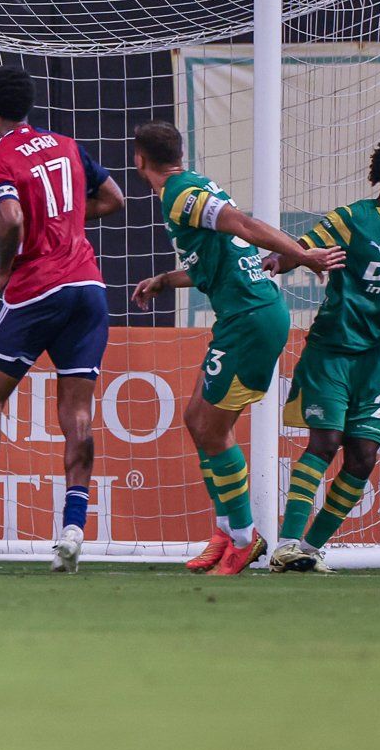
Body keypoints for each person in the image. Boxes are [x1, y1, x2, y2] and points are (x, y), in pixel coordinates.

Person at [0, 67, 126, 571]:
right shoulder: (66, 143)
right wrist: (68, 223)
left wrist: (4, 267)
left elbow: (12, 219)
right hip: (90, 289)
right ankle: (73, 529)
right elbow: (114, 199)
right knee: (77, 412)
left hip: (39, 289)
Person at [128, 120, 344, 576]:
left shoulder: (180, 193)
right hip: (241, 317)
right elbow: (221, 258)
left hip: (252, 318)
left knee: (211, 428)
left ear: (139, 160)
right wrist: (167, 279)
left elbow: (245, 224)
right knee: (196, 419)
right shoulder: (192, 190)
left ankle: (245, 537)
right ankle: (226, 532)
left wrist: (303, 256)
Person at [269, 134, 380, 572]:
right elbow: (303, 250)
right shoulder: (352, 220)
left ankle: (309, 549)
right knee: (325, 442)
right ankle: (286, 543)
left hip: (373, 358)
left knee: (363, 456)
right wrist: (281, 261)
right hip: (332, 352)